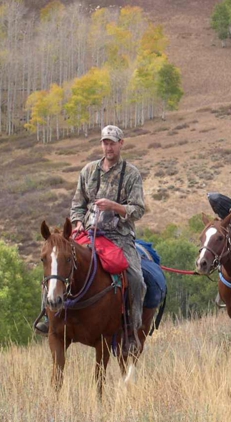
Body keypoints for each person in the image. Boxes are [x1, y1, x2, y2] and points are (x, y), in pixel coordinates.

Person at [35, 125, 147, 345]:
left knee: (136, 279)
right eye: (105, 142)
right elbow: (77, 204)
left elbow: (139, 209)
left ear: (121, 144)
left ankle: (131, 329)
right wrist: (77, 223)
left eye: (113, 143)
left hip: (119, 236)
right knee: (56, 261)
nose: (109, 147)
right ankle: (47, 317)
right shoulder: (87, 171)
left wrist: (115, 206)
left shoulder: (131, 174)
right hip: (86, 233)